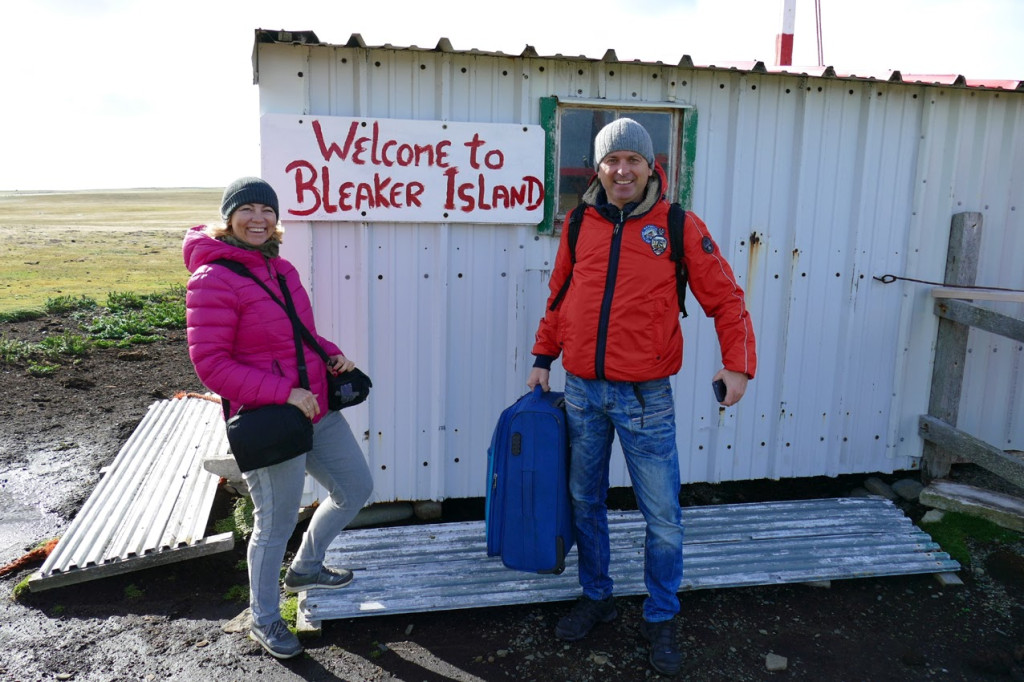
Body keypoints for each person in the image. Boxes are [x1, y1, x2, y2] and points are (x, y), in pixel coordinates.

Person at [528, 119, 756, 676]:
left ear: (651, 166)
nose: (622, 170)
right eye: (612, 160)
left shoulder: (677, 225)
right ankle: (597, 596)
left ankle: (661, 613)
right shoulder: (579, 223)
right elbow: (560, 295)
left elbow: (725, 297)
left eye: (633, 159)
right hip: (582, 392)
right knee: (585, 502)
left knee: (663, 516)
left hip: (646, 397)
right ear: (599, 168)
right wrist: (542, 358)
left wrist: (738, 366)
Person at [183, 177, 373, 659]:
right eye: (246, 209)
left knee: (354, 488)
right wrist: (283, 393)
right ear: (228, 218)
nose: (258, 219)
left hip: (314, 406)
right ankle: (265, 618)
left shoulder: (279, 267)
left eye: (266, 211)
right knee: (275, 523)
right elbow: (211, 365)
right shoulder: (212, 278)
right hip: (271, 417)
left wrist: (330, 355)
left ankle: (307, 566)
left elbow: (298, 335)